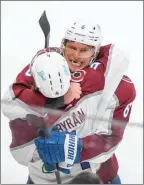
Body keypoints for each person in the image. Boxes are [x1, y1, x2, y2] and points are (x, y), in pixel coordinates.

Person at [2, 18, 136, 184]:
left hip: (98, 177)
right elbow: (10, 102)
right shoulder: (43, 66)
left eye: (84, 50)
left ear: (94, 52)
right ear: (63, 46)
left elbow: (111, 139)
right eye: (72, 47)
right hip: (42, 177)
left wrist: (76, 147)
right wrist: (57, 100)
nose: (76, 55)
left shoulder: (117, 85)